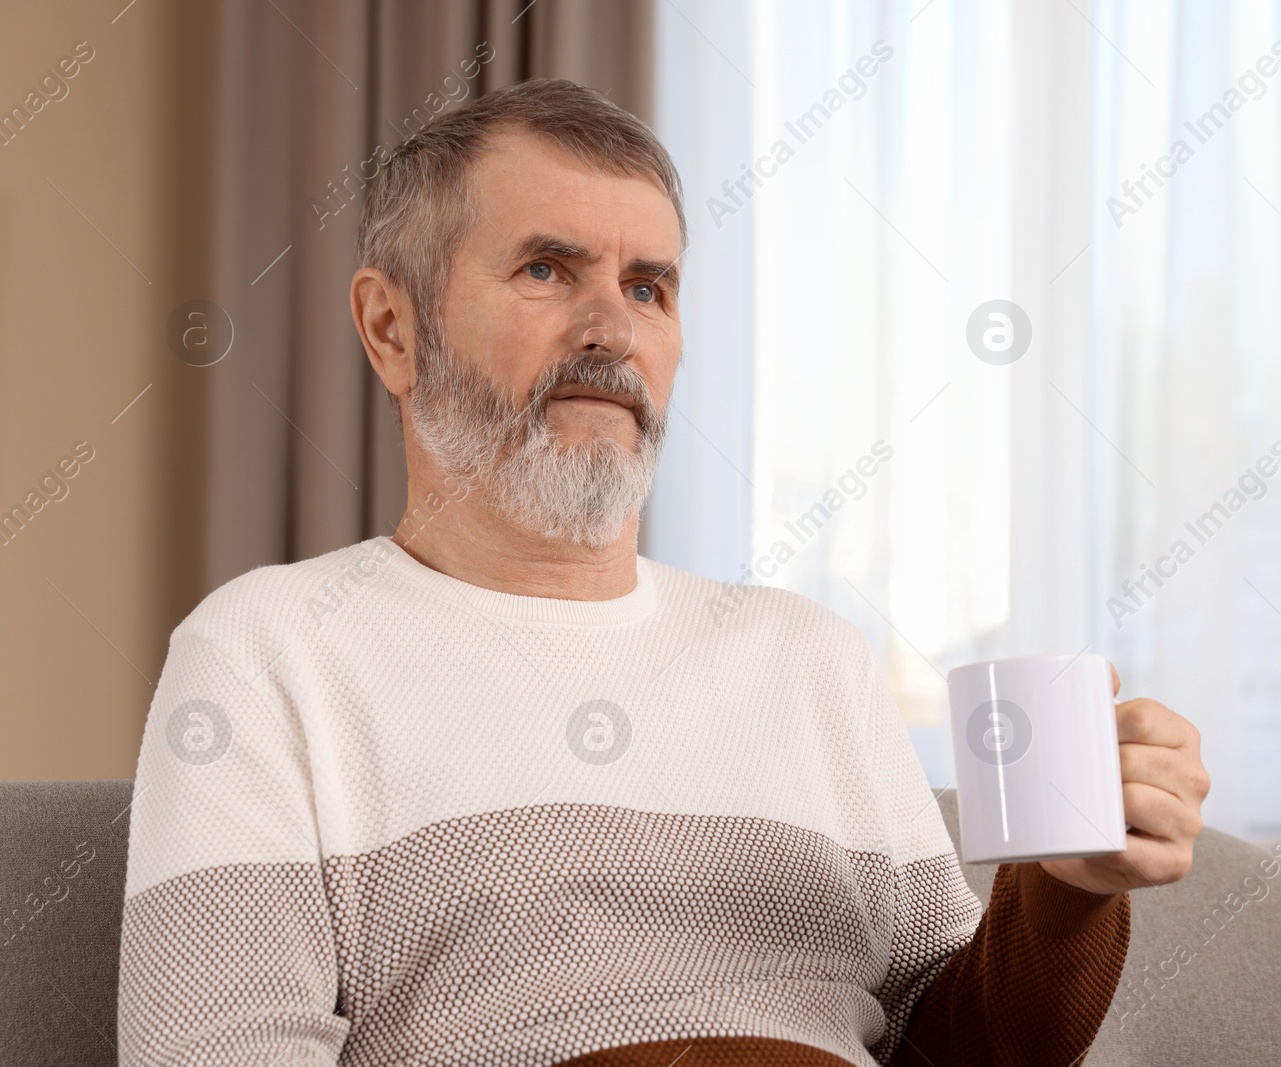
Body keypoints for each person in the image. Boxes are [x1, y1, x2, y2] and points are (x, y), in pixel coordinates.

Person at [117, 78, 1209, 1067]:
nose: (611, 329)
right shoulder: (268, 649)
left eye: (649, 287)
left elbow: (965, 1052)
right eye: (547, 269)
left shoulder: (809, 654)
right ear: (391, 329)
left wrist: (1064, 894)